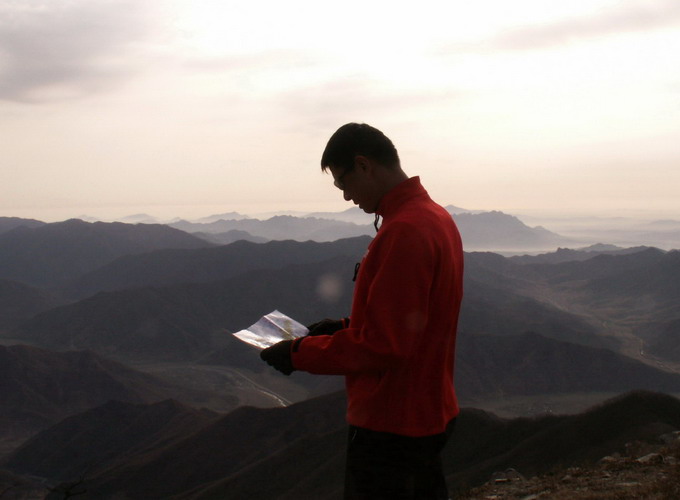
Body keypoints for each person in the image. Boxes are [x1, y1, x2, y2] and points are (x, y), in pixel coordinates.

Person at [260, 123, 464, 499]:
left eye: (343, 182)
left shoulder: (405, 231)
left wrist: (298, 353)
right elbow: (414, 319)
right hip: (426, 409)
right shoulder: (435, 217)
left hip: (393, 423)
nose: (346, 196)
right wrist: (342, 327)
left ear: (364, 165)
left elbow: (386, 345)